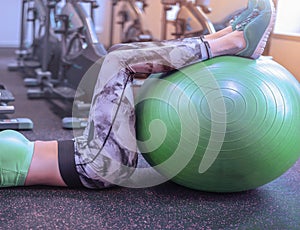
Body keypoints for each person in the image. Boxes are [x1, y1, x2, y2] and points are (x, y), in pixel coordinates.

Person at [0, 0, 275, 188]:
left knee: (118, 52)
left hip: (86, 149)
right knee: (119, 63)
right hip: (96, 166)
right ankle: (232, 42)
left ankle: (225, 36)